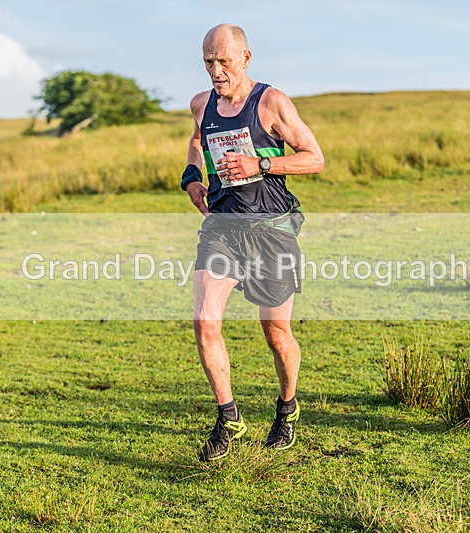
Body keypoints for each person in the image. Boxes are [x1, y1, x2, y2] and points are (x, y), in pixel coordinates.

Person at [181, 23, 324, 461]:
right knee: (205, 323)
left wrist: (261, 162)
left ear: (245, 58)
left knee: (276, 333)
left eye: (223, 61)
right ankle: (228, 418)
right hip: (223, 226)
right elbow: (196, 139)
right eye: (208, 62)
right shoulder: (201, 104)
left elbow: (315, 158)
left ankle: (287, 408)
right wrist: (191, 177)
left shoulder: (272, 102)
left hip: (272, 230)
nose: (215, 70)